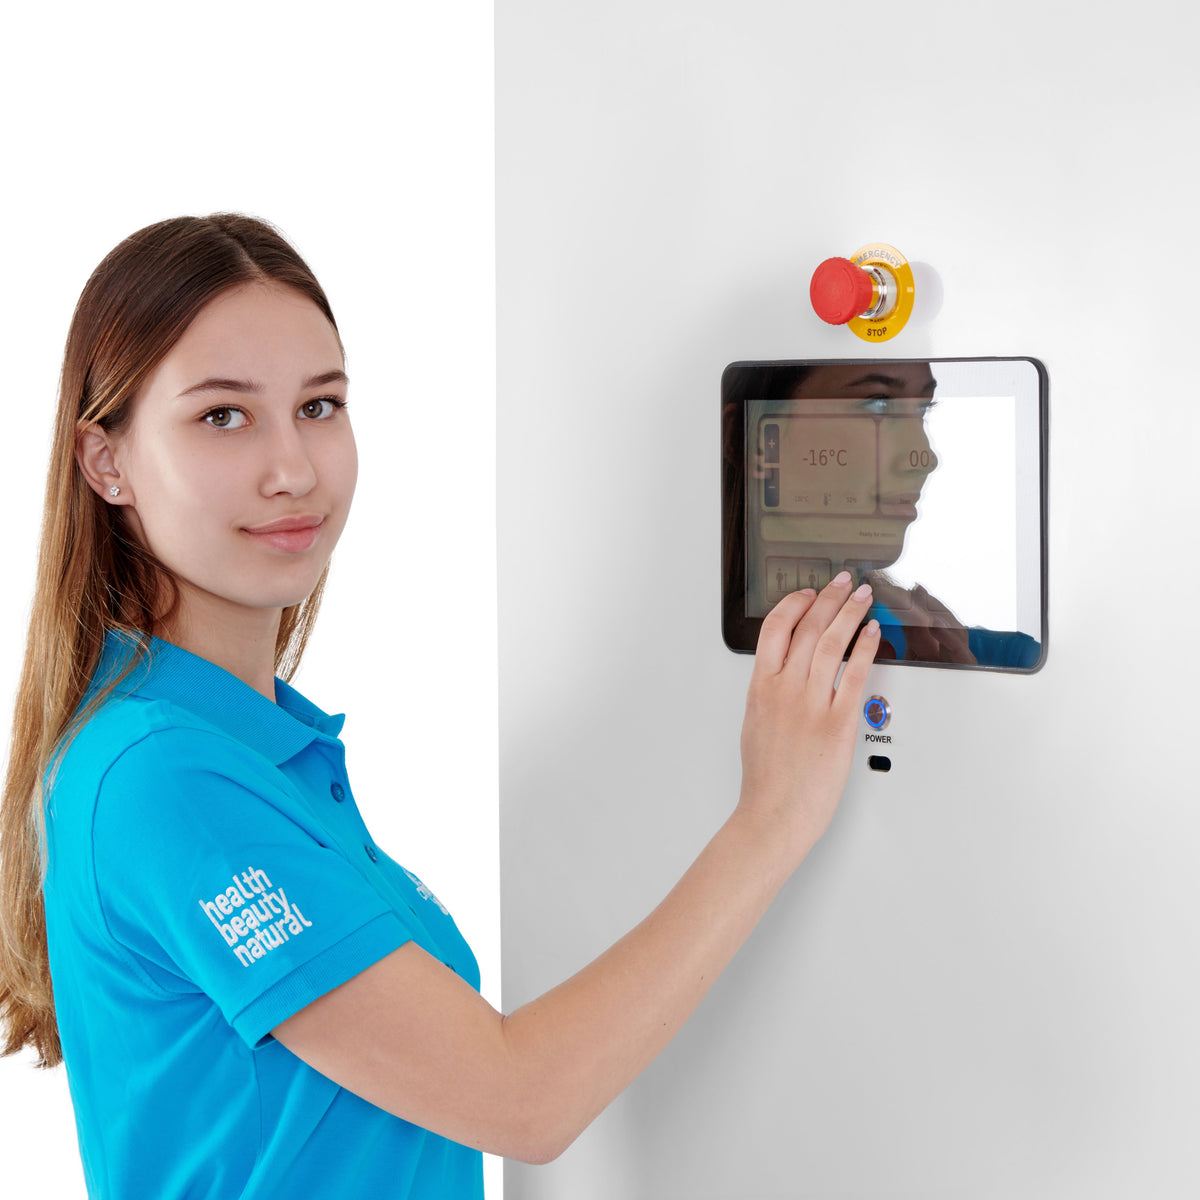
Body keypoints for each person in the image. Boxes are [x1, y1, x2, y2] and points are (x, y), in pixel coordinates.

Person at [0, 213, 880, 1199]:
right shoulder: (162, 773)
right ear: (105, 461)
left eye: (320, 405)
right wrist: (773, 817)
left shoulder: (246, 744)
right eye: (222, 416)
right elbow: (521, 1101)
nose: (293, 467)